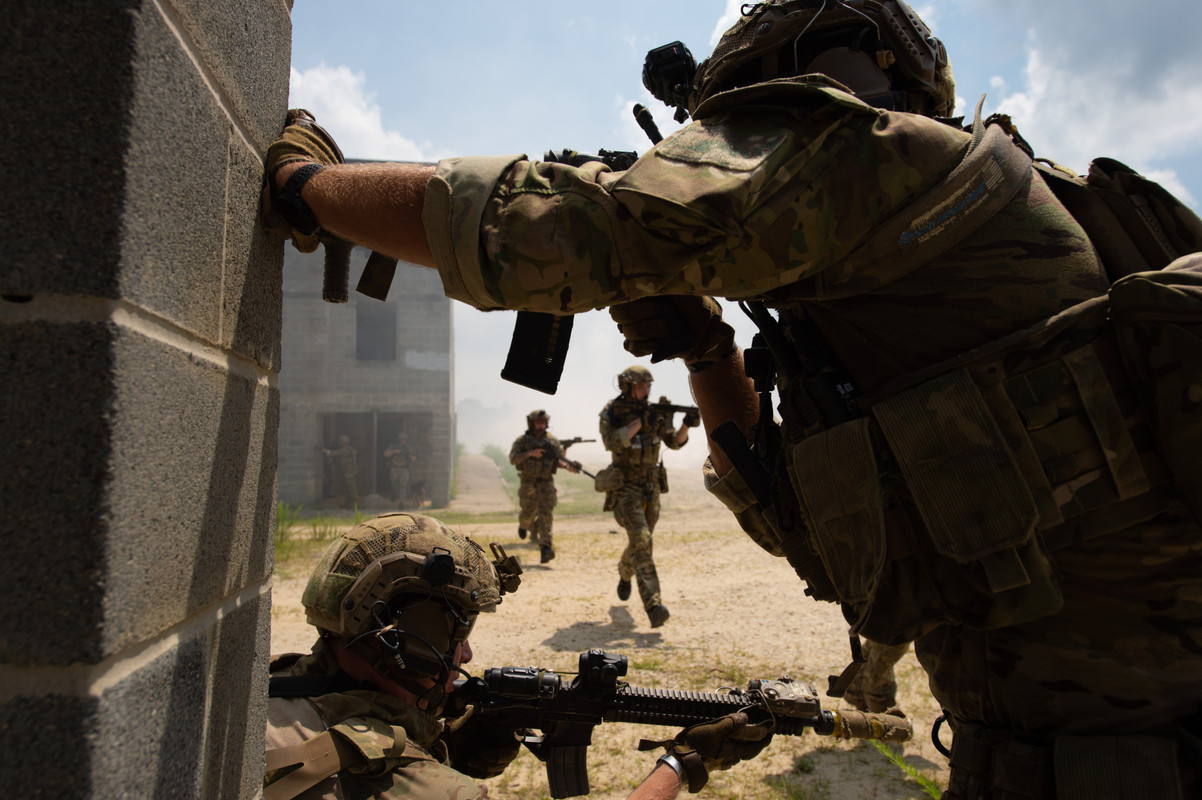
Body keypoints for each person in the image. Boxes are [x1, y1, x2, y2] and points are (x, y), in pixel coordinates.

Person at [264, 1, 1202, 794]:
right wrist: (710, 351)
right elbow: (821, 541)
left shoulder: (873, 152)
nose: (727, 149)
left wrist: (307, 185)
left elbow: (552, 228)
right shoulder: (956, 274)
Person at [264, 512, 770, 799]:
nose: (466, 650)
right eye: (455, 629)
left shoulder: (279, 682)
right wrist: (679, 765)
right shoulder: (411, 786)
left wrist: (453, 744)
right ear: (397, 634)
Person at [598, 366, 697, 628]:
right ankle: (654, 605)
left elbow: (674, 442)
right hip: (626, 487)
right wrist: (642, 421)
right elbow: (612, 442)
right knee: (641, 539)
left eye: (648, 386)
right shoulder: (612, 411)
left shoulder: (656, 412)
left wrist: (686, 424)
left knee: (642, 541)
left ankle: (624, 571)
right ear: (627, 387)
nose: (646, 391)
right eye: (641, 386)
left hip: (651, 487)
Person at [508, 409, 578, 564]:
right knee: (528, 513)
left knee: (546, 514)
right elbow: (513, 459)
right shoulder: (522, 441)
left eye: (543, 423)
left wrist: (568, 467)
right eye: (538, 422)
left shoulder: (552, 442)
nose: (541, 425)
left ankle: (545, 547)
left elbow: (559, 460)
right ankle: (524, 525)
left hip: (546, 483)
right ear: (531, 424)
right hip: (528, 483)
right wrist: (530, 453)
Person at [322, 435, 358, 510]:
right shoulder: (349, 449)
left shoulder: (346, 449)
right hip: (349, 471)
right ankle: (349, 504)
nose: (340, 444)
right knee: (349, 489)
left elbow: (335, 453)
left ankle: (353, 505)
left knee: (351, 489)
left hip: (349, 472)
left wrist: (325, 451)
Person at [384, 431, 418, 507]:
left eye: (405, 440)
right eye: (402, 440)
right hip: (394, 468)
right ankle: (394, 493)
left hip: (404, 468)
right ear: (399, 440)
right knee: (394, 484)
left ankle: (401, 502)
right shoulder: (393, 446)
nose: (404, 441)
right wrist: (394, 452)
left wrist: (411, 456)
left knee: (403, 485)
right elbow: (386, 454)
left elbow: (414, 458)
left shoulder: (408, 448)